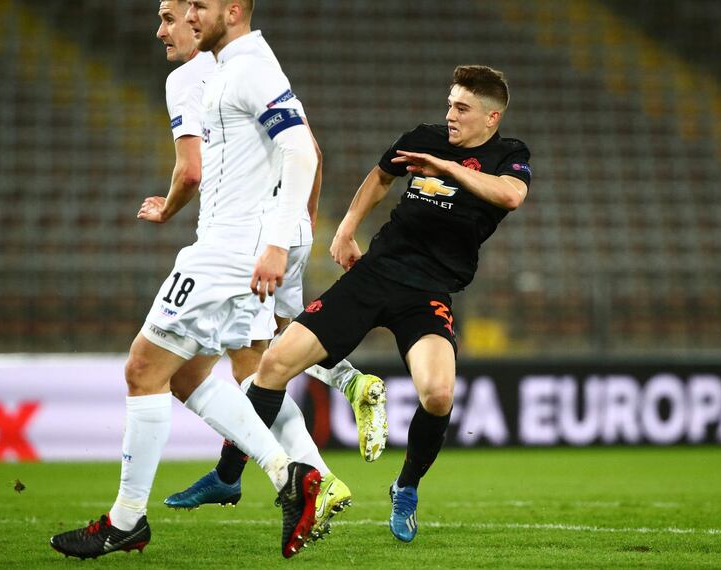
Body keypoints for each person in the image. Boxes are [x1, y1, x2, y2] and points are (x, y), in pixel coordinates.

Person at [49, 0, 326, 559]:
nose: (187, 16)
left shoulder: (250, 67)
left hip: (224, 252)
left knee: (143, 368)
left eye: (198, 5)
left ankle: (127, 520)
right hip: (233, 250)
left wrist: (277, 242)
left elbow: (301, 151)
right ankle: (288, 473)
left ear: (233, 9)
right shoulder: (226, 66)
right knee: (186, 377)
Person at [244, 64, 532, 543]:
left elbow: (511, 196)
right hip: (374, 275)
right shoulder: (422, 138)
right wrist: (346, 228)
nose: (450, 115)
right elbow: (381, 176)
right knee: (274, 362)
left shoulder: (510, 155)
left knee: (438, 395)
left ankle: (406, 486)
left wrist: (446, 169)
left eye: (461, 108)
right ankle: (230, 473)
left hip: (428, 292)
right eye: (449, 104)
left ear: (491, 117)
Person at [132, 1, 385, 539]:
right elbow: (308, 145)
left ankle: (311, 442)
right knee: (255, 362)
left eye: (174, 15)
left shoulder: (197, 76)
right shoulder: (238, 64)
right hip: (278, 233)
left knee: (185, 368)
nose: (167, 29)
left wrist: (170, 209)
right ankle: (310, 473)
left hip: (241, 243)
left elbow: (194, 169)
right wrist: (303, 225)